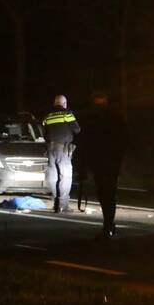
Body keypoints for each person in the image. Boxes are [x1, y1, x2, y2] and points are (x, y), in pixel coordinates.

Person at [76, 91, 128, 238]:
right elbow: (124, 140)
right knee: (109, 194)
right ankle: (109, 225)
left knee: (105, 195)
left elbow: (85, 144)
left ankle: (108, 226)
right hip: (111, 163)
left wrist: (83, 167)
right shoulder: (116, 117)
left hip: (100, 163)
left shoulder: (92, 119)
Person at [42, 94, 81, 213]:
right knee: (66, 174)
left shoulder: (47, 116)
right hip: (62, 147)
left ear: (54, 104)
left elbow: (43, 131)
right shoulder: (67, 114)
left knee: (53, 174)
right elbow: (77, 129)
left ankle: (56, 202)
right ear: (64, 104)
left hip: (49, 147)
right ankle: (63, 204)